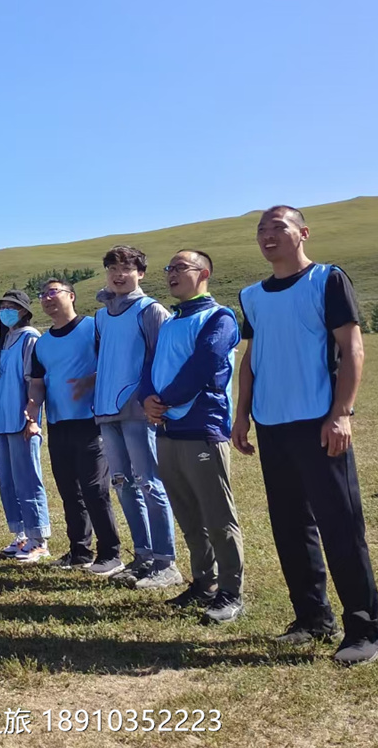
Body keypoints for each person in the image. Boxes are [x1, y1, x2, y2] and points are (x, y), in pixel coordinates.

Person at [232, 206, 378, 666]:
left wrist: (342, 413)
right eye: (261, 230)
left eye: (277, 227)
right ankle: (312, 618)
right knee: (289, 525)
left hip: (319, 421)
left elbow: (351, 346)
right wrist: (242, 414)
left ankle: (366, 628)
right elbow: (251, 357)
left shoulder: (327, 279)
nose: (267, 235)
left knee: (340, 524)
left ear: (302, 233)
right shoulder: (252, 295)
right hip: (271, 423)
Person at [139, 250, 246, 620]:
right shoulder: (170, 322)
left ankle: (231, 591)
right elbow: (150, 367)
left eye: (180, 267)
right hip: (168, 432)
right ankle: (204, 583)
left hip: (202, 429)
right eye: (168, 268)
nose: (171, 274)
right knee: (187, 514)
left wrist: (163, 400)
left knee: (217, 515)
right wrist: (146, 399)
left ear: (204, 273)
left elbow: (205, 366)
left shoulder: (219, 317)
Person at [93, 246, 180, 588]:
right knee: (122, 484)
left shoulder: (151, 310)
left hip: (137, 410)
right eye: (112, 267)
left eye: (126, 268)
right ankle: (142, 556)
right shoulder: (101, 316)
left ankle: (166, 562)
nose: (118, 274)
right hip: (105, 410)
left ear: (140, 273)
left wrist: (150, 400)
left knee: (149, 483)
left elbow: (163, 360)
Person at [25, 278, 122, 575]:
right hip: (58, 424)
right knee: (69, 491)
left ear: (72, 296)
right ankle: (80, 551)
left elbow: (115, 362)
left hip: (91, 421)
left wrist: (90, 381)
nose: (47, 298)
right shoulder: (42, 343)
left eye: (53, 292)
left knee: (95, 489)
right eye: (43, 295)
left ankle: (111, 554)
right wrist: (32, 410)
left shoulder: (93, 327)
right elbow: (39, 384)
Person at [0, 289, 51, 563]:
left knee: (28, 480)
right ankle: (21, 534)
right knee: (8, 482)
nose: (6, 311)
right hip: (2, 421)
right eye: (2, 306)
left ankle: (39, 539)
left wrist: (32, 418)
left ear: (24, 311)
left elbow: (34, 381)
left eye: (11, 306)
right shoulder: (3, 341)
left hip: (22, 420)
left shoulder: (30, 338)